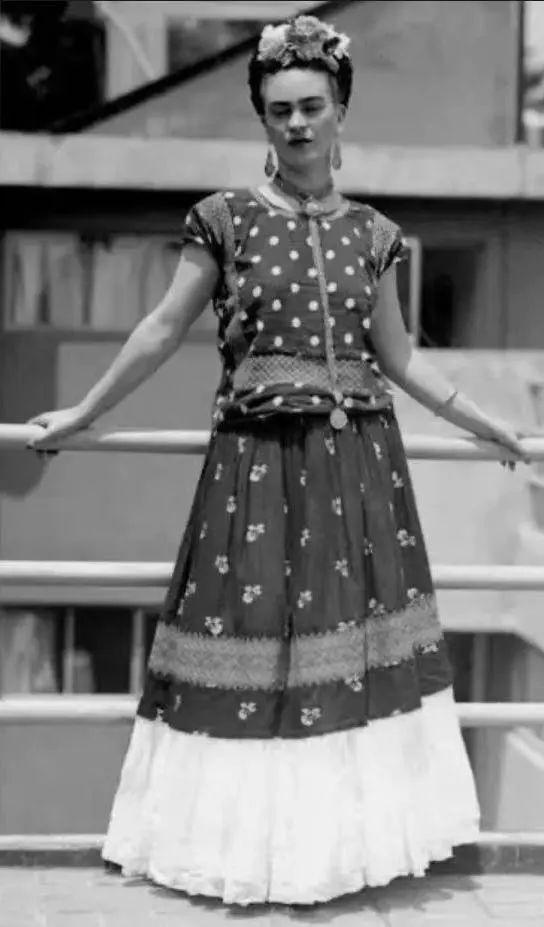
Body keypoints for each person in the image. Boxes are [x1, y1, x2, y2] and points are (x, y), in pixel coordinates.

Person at [27, 14, 530, 909]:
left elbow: (402, 359)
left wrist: (487, 423)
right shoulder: (224, 221)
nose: (297, 124)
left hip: (360, 473)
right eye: (280, 110)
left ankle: (332, 857)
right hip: (256, 470)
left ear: (340, 112)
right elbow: (161, 328)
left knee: (347, 662)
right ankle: (251, 858)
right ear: (263, 120)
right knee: (251, 655)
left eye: (312, 106)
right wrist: (83, 412)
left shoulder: (374, 234)